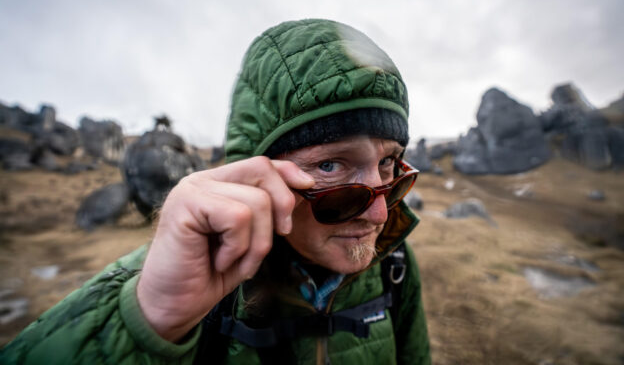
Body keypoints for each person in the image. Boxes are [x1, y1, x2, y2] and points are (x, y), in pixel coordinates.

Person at [1, 19, 430, 364]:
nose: (378, 217)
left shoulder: (394, 264)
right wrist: (151, 321)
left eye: (388, 164)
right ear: (257, 172)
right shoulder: (176, 282)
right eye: (331, 166)